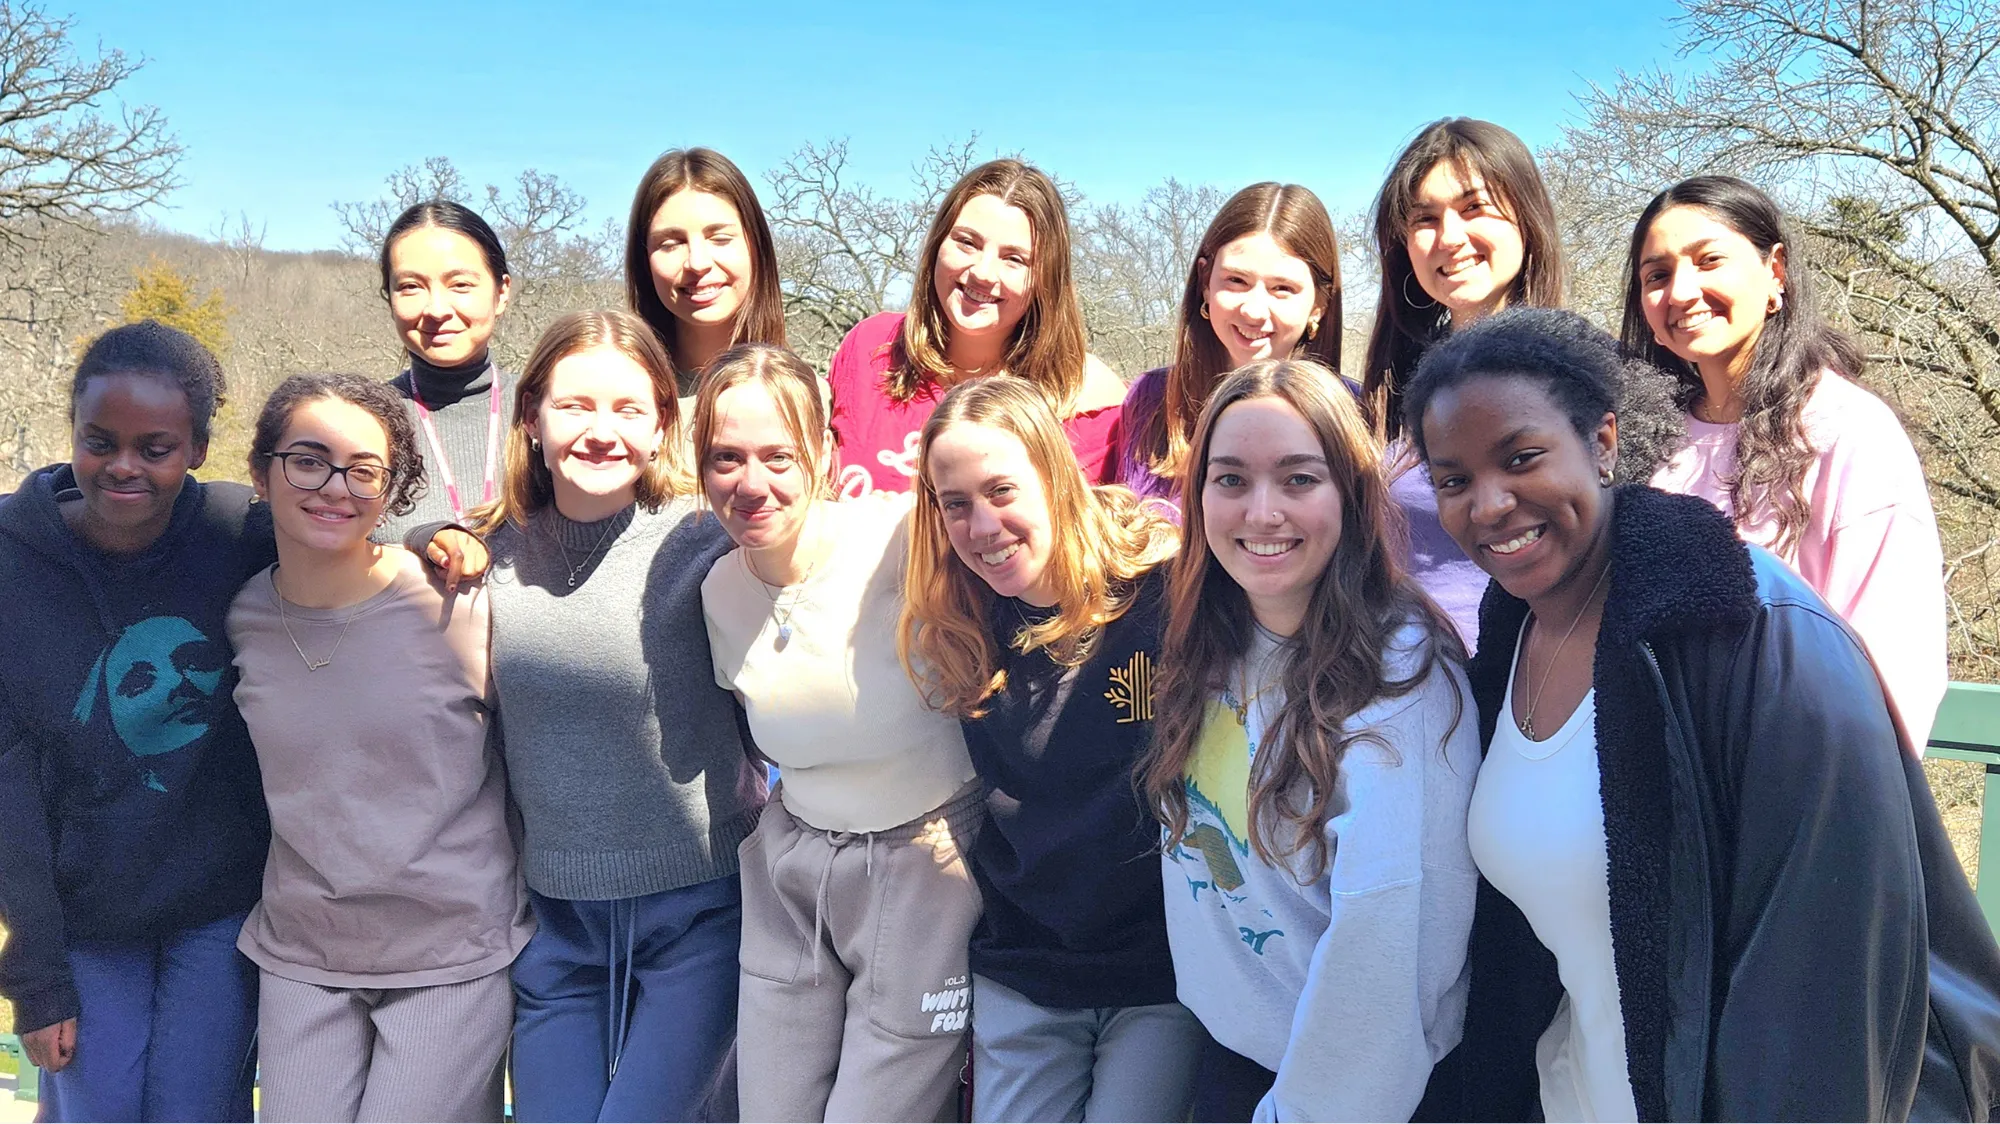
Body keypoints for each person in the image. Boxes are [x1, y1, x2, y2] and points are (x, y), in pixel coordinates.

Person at [1404, 306, 2000, 1121]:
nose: (1490, 503)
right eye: (1454, 481)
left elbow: (1828, 994)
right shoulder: (1510, 641)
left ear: (1604, 442)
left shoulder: (1758, 636)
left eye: (1522, 458)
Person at [1139, 359, 1481, 1122]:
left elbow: (1387, 952)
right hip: (1234, 1051)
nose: (1262, 512)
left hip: (1342, 1093)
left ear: (1352, 495)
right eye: (1231, 479)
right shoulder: (1211, 635)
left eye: (1298, 479)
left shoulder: (1401, 680)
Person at [463, 309, 762, 1122]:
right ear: (531, 416)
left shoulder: (706, 539)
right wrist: (435, 541)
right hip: (557, 922)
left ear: (663, 423)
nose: (602, 431)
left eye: (629, 409)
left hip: (700, 909)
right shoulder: (486, 551)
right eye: (575, 406)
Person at [228, 372, 532, 1122]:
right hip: (302, 953)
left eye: (363, 469)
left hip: (451, 952)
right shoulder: (242, 617)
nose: (335, 487)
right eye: (308, 460)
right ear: (260, 473)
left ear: (393, 489)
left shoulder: (458, 600)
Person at [693, 343, 983, 1121]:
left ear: (823, 453)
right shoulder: (717, 590)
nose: (752, 483)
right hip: (794, 868)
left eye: (778, 456)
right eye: (726, 458)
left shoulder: (904, 540)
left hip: (925, 865)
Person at [904, 376, 1204, 1122]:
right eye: (955, 504)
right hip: (1028, 964)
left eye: (1002, 490)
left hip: (1161, 971)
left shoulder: (1166, 592)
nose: (982, 526)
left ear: (1055, 475)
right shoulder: (961, 629)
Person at [0, 322, 268, 1122]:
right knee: (99, 1106)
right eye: (100, 442)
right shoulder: (12, 559)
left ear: (197, 448)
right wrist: (38, 976)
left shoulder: (240, 533)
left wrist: (429, 540)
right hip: (80, 919)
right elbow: (7, 786)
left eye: (155, 448)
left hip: (218, 909)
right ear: (73, 434)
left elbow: (350, 538)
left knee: (198, 1109)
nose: (123, 466)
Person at [1625, 174, 1948, 751]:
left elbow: (1894, 658)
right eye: (1657, 275)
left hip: (1791, 772)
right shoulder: (1646, 439)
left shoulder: (1846, 431)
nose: (1681, 291)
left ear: (1775, 271)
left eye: (1709, 260)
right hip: (1660, 773)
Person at [1358, 118, 1567, 647]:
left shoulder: (1584, 376)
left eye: (1474, 207)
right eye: (1425, 219)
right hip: (1397, 676)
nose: (1449, 237)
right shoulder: (1387, 390)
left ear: (1526, 219)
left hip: (1527, 676)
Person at [825, 158, 1127, 495]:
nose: (983, 273)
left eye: (1014, 259)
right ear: (937, 245)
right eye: (967, 242)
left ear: (1046, 280)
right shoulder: (871, 347)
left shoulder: (1089, 401)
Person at [1115, 182, 1341, 505]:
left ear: (1319, 304)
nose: (1253, 310)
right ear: (1206, 284)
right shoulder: (1150, 399)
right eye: (1236, 281)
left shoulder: (1353, 412)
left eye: (1282, 288)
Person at [378, 201, 515, 542]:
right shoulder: (363, 420)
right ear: (390, 299)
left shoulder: (549, 409)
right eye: (411, 286)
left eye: (460, 285)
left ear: (501, 293)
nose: (437, 309)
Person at [624, 147, 788, 396]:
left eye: (720, 239)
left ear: (757, 247)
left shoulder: (810, 397)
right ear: (644, 260)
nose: (697, 263)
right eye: (671, 244)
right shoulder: (618, 396)